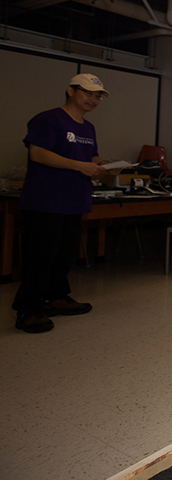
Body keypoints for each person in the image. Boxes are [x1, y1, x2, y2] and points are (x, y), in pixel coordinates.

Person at [13, 73, 116, 333]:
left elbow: (91, 157)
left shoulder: (88, 128)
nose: (93, 99)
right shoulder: (48, 119)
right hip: (45, 200)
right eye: (88, 93)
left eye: (98, 96)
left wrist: (106, 168)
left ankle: (56, 297)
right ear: (71, 91)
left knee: (63, 254)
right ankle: (29, 309)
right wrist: (78, 165)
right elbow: (37, 153)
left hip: (74, 200)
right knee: (40, 256)